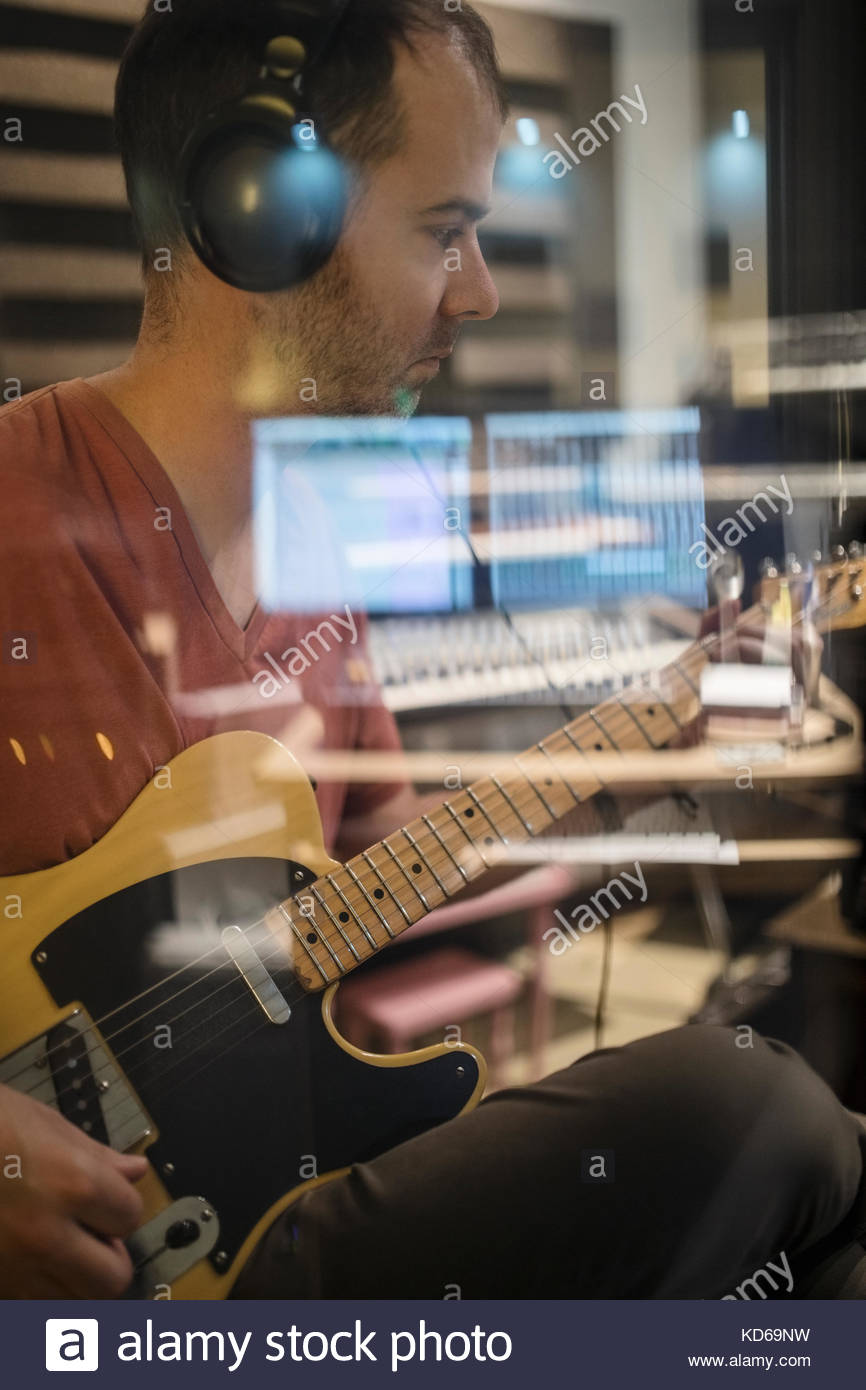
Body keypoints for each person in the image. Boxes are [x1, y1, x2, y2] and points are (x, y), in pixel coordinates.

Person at [0, 0, 862, 1300]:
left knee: (803, 1215)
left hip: (247, 1229)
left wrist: (642, 756)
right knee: (743, 1107)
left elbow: (388, 895)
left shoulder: (315, 546)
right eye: (444, 231)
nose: (481, 291)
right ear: (256, 215)